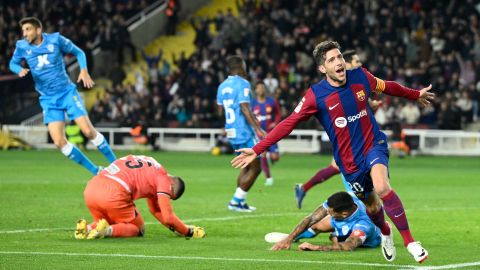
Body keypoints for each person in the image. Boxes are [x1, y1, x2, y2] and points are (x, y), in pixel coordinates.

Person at [231, 41, 434, 263]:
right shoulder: (315, 96)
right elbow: (288, 123)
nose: (339, 62)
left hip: (373, 144)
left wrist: (415, 95)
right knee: (373, 206)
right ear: (322, 68)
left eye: (339, 57)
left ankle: (410, 242)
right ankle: (385, 231)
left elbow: (388, 86)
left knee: (382, 186)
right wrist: (257, 149)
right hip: (349, 163)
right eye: (332, 60)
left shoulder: (360, 76)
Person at [9, 17, 116, 175]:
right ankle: (96, 171)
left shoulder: (56, 40)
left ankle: (117, 164)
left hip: (67, 93)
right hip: (48, 99)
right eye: (23, 30)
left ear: (38, 30)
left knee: (87, 131)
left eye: (28, 29)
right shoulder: (21, 46)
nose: (24, 33)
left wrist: (84, 70)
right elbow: (12, 63)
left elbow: (79, 52)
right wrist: (18, 69)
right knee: (59, 142)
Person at [294, 50, 382, 209]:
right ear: (347, 63)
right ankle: (337, 213)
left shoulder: (355, 82)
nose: (360, 65)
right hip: (346, 140)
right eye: (356, 62)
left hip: (357, 139)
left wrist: (370, 107)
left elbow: (360, 113)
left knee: (336, 169)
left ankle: (304, 188)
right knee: (353, 183)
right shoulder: (332, 87)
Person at [75, 155, 206, 240]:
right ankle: (107, 231)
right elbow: (167, 216)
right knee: (138, 229)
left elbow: (155, 210)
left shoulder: (152, 164)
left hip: (92, 188)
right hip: (114, 192)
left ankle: (86, 229)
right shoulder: (164, 180)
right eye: (169, 196)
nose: (165, 197)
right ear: (171, 186)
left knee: (108, 220)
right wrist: (188, 232)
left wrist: (177, 228)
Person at [217, 55, 266, 212]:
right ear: (240, 66)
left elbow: (220, 109)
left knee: (245, 166)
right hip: (244, 130)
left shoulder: (222, 86)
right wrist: (258, 129)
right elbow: (244, 107)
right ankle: (236, 201)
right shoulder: (243, 84)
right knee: (256, 167)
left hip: (231, 130)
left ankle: (240, 202)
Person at [270, 191, 381, 252]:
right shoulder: (348, 197)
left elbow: (349, 246)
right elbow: (311, 219)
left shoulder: (363, 224)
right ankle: (293, 238)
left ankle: (336, 235)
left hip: (363, 239)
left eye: (331, 212)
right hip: (344, 221)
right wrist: (289, 238)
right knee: (316, 225)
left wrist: (316, 247)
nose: (327, 212)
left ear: (344, 214)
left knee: (338, 240)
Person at [251, 81, 282, 186]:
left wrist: (275, 123)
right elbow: (249, 116)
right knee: (263, 154)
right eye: (258, 88)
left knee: (275, 157)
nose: (261, 90)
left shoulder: (272, 102)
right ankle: (268, 178)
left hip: (271, 133)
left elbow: (278, 113)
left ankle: (271, 157)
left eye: (262, 88)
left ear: (265, 89)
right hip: (259, 134)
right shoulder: (253, 103)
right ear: (256, 90)